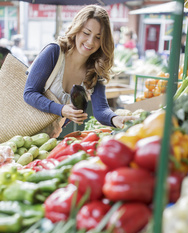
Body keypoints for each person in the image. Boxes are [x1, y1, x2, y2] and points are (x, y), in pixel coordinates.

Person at [23, 5, 135, 138]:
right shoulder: (54, 52)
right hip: (21, 133)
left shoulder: (96, 68)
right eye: (86, 33)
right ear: (76, 29)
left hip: (48, 139)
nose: (90, 41)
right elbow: (29, 93)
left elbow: (101, 109)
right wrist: (61, 109)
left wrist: (114, 119)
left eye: (98, 37)